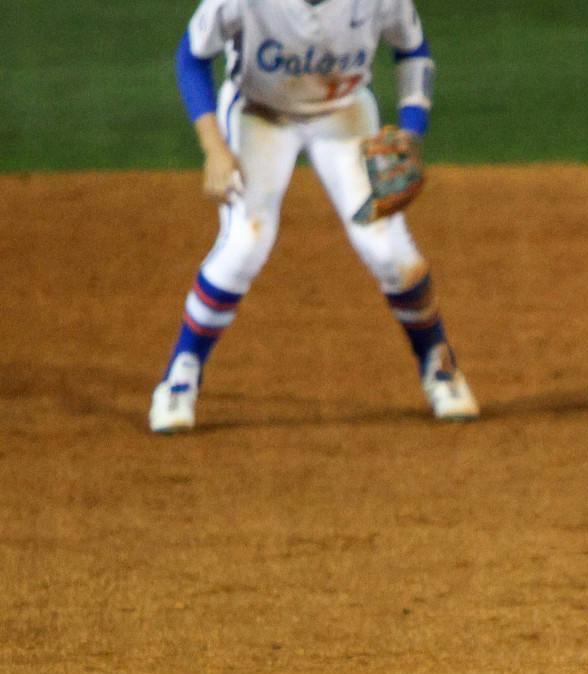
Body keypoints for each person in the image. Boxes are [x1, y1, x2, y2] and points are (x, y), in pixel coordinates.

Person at [149, 0, 477, 434]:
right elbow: (191, 56)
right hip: (257, 114)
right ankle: (180, 376)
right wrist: (214, 147)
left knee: (387, 248)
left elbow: (412, 48)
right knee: (245, 244)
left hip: (344, 113)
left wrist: (411, 131)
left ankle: (439, 364)